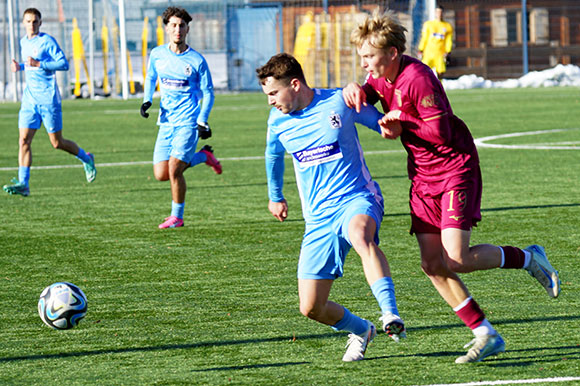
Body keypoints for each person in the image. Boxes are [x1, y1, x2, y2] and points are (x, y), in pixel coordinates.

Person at [343, 12, 561, 363]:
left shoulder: (419, 78)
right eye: (361, 57)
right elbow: (368, 91)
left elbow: (440, 134)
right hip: (422, 175)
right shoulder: (380, 76)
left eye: (369, 56)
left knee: (456, 258)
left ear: (393, 53)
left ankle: (528, 258)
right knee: (432, 263)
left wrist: (403, 118)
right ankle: (484, 332)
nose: (364, 63)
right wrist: (354, 89)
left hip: (454, 169)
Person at [256, 53, 405, 362]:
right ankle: (361, 330)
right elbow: (273, 156)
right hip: (318, 218)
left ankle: (390, 313)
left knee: (360, 235)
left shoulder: (339, 102)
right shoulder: (277, 121)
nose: (270, 101)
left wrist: (389, 125)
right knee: (311, 307)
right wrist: (275, 195)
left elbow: (384, 125)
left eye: (273, 93)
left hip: (357, 197)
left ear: (294, 84)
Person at [140, 6, 222, 229]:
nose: (178, 30)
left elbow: (208, 93)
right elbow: (150, 78)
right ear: (166, 28)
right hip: (166, 122)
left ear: (187, 29)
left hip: (188, 121)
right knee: (161, 174)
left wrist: (202, 120)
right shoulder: (157, 54)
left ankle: (177, 216)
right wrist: (147, 100)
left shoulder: (196, 60)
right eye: (174, 25)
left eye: (182, 26)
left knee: (175, 169)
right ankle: (204, 156)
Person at [3, 8, 96, 197]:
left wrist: (39, 64)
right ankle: (24, 183)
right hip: (30, 100)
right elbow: (29, 65)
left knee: (56, 142)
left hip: (48, 100)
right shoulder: (23, 42)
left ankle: (86, 158)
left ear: (40, 22)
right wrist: (19, 67)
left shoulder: (47, 42)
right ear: (23, 23)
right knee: (23, 140)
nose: (31, 25)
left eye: (35, 21)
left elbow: (63, 63)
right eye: (28, 21)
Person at [417, 5, 453, 78]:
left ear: (443, 13)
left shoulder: (447, 26)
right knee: (424, 71)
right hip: (428, 53)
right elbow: (424, 38)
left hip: (440, 53)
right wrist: (421, 49)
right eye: (437, 12)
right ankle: (426, 87)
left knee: (440, 73)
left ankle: (439, 87)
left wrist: (448, 51)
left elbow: (448, 40)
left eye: (441, 12)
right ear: (435, 13)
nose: (439, 14)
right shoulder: (428, 25)